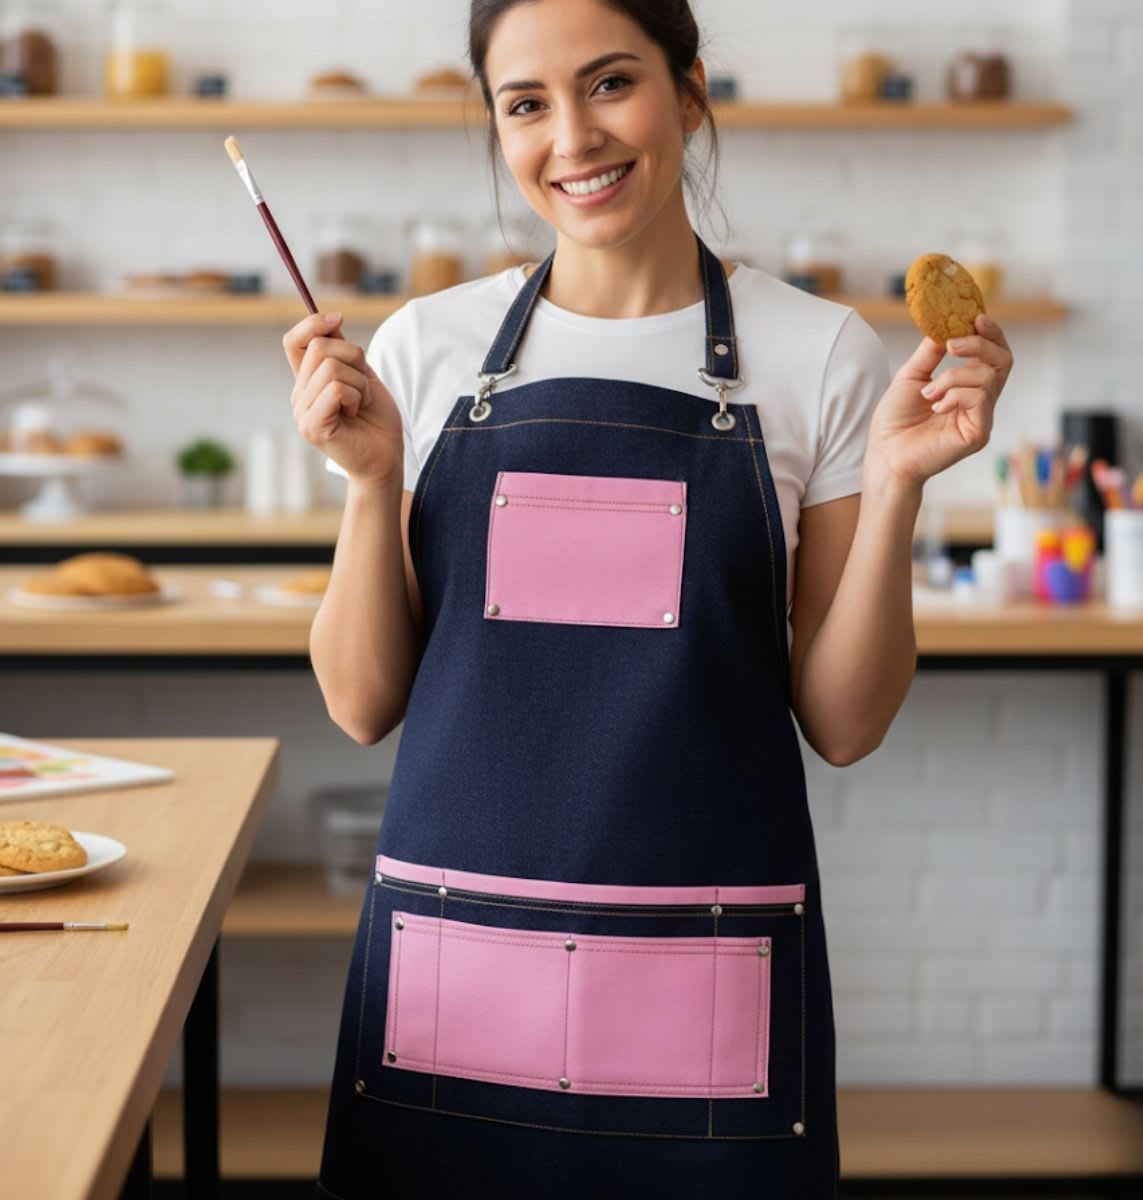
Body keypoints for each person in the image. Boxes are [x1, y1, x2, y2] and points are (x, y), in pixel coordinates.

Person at [282, 1, 1014, 1195]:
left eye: (611, 82)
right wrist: (371, 485)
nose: (573, 137)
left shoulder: (821, 354)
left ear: (690, 90)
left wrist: (894, 489)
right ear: (497, 125)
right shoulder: (424, 349)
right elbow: (363, 702)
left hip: (703, 994)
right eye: (526, 104)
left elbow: (843, 722)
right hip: (455, 973)